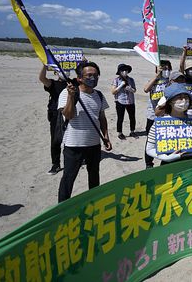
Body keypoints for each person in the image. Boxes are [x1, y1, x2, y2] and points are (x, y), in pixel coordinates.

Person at [58, 62, 112, 202]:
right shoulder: (67, 93)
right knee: (68, 178)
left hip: (94, 144)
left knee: (94, 176)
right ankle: (62, 207)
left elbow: (101, 118)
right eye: (89, 75)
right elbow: (68, 115)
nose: (93, 78)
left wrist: (106, 137)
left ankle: (94, 202)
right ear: (79, 78)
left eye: (95, 75)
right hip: (74, 144)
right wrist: (71, 97)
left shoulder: (99, 95)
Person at [145, 83, 192, 163]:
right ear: (170, 102)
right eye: (179, 97)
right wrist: (166, 158)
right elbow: (149, 149)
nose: (183, 100)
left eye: (186, 97)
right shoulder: (160, 123)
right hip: (170, 166)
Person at [39, 64, 68, 175]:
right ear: (56, 72)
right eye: (62, 70)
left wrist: (83, 62)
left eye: (67, 69)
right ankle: (55, 164)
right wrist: (44, 65)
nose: (65, 71)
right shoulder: (53, 84)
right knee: (56, 139)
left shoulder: (73, 82)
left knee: (71, 137)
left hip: (71, 113)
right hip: (56, 115)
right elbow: (42, 78)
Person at [142, 60, 172, 168]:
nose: (166, 70)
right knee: (150, 140)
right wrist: (156, 76)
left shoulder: (170, 81)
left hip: (166, 117)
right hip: (152, 116)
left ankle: (164, 162)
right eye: (164, 68)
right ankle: (149, 164)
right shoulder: (153, 81)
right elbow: (145, 89)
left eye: (168, 68)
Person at [110, 63, 137, 140]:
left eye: (126, 70)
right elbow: (113, 92)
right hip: (120, 101)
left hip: (130, 101)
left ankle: (132, 131)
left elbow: (134, 90)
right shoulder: (116, 80)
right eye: (123, 70)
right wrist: (120, 85)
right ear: (119, 71)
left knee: (132, 117)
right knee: (120, 118)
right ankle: (120, 133)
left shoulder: (131, 80)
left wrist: (130, 89)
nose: (125, 71)